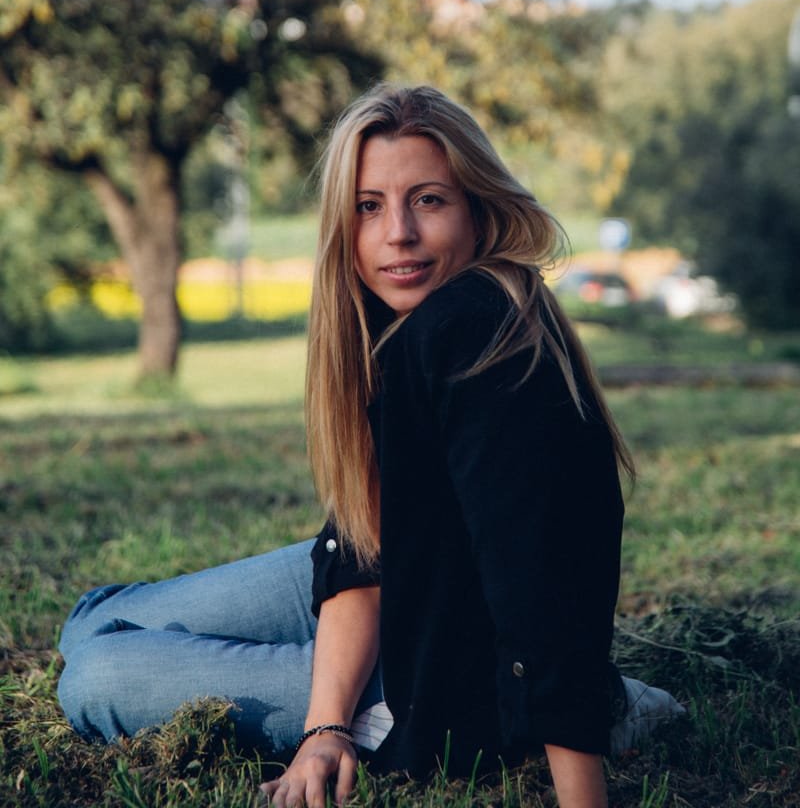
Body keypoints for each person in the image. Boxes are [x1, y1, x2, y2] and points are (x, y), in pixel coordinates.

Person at [57, 84, 672, 808]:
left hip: (442, 682)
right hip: (414, 582)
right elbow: (362, 546)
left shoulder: (473, 327)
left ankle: (603, 704)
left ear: (479, 209)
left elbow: (538, 575)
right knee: (92, 619)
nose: (397, 234)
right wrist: (324, 725)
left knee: (96, 674)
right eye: (369, 206)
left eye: (429, 200)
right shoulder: (394, 328)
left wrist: (580, 779)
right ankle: (599, 696)